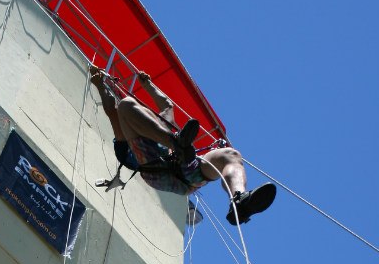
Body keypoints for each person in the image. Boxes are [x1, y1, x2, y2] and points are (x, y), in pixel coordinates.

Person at [90, 67, 276, 225]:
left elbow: (167, 105)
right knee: (126, 105)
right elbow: (112, 112)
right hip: (157, 171)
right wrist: (100, 85)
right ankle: (175, 143)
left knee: (230, 155)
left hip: (184, 170)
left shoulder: (162, 121)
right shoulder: (127, 142)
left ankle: (239, 200)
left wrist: (148, 85)